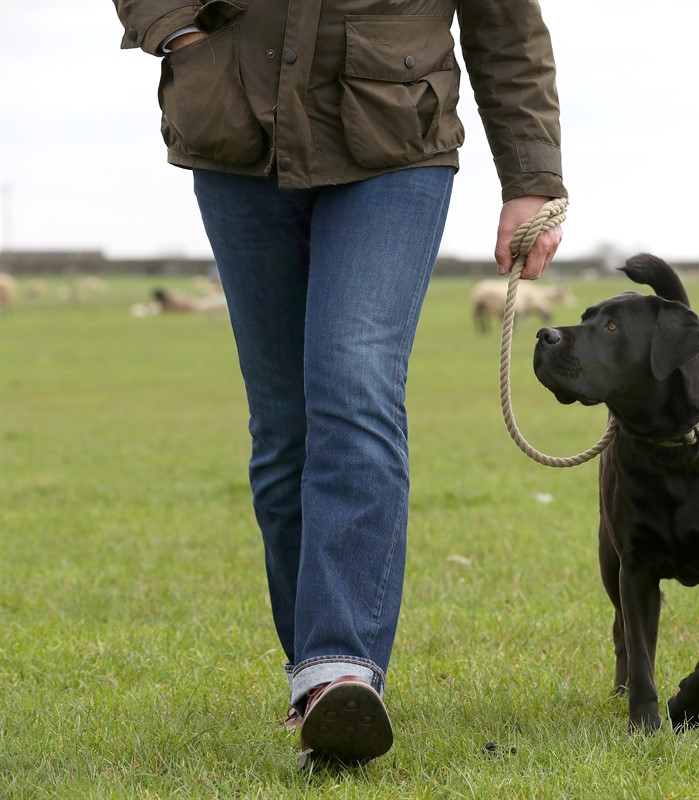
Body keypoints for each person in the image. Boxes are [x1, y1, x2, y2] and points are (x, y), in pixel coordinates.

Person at [111, 1, 566, 768]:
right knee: (284, 426)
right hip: (234, 127)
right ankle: (320, 690)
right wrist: (181, 34)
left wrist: (532, 177)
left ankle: (338, 672)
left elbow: (506, 24)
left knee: (355, 389)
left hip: (397, 140)